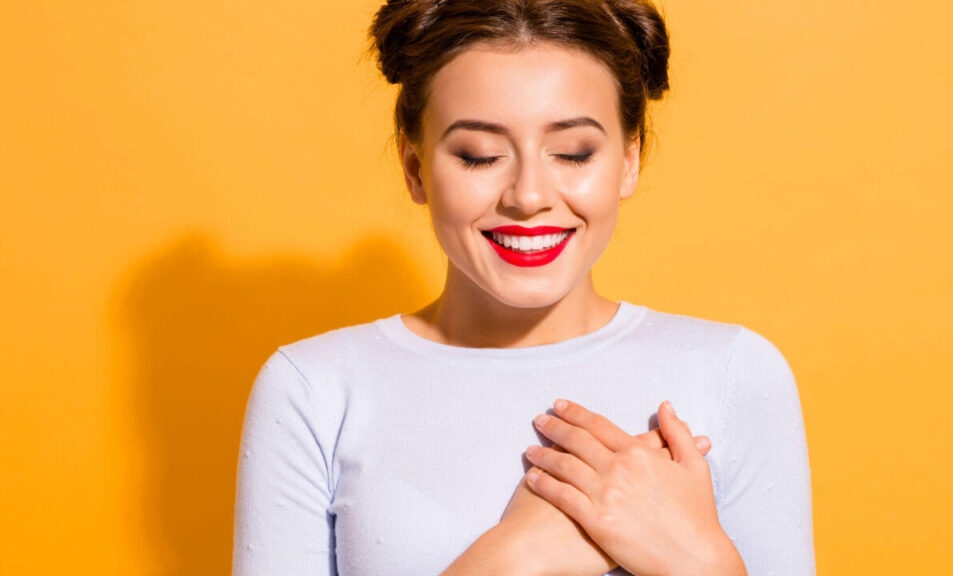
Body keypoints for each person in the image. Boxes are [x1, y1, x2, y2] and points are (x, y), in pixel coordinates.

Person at [231, 1, 816, 575]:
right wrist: (514, 557)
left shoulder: (736, 372)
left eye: (572, 152)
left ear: (630, 159)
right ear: (415, 168)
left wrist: (701, 567)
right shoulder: (314, 391)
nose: (528, 195)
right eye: (480, 156)